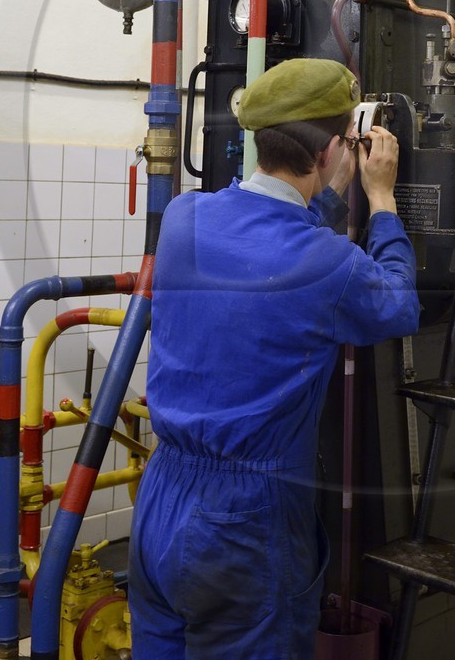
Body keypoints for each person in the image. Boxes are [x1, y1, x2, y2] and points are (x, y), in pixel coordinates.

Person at [129, 59, 422, 660]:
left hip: (160, 501)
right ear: (334, 149)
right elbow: (397, 307)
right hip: (246, 524)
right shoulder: (328, 266)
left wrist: (330, 193)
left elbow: (271, 245)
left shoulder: (184, 218)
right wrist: (383, 199)